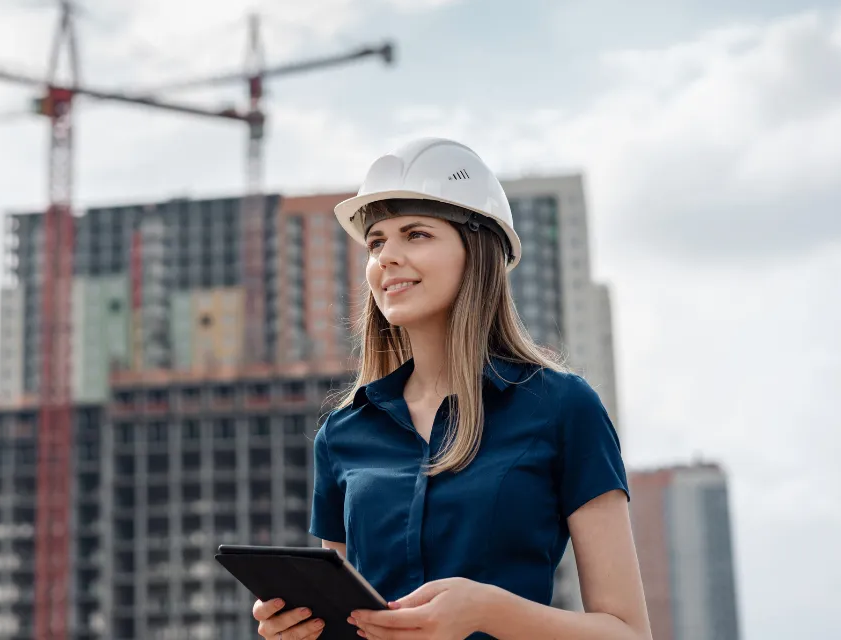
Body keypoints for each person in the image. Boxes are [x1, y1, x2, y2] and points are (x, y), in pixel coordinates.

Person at [251, 138, 651, 640]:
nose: (387, 258)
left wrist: (489, 612)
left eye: (415, 234)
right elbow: (345, 621)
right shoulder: (343, 433)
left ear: (477, 251)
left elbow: (628, 634)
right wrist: (300, 631)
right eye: (376, 242)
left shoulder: (563, 408)